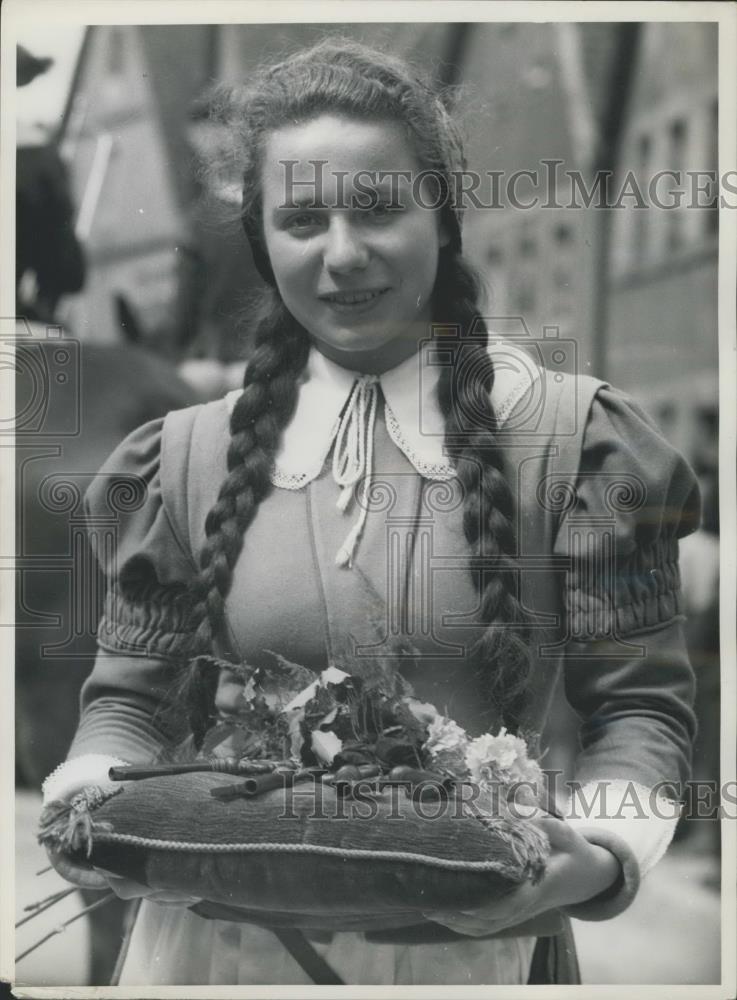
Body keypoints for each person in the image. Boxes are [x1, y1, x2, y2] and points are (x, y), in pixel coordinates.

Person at [42, 39, 700, 986]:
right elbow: (128, 705)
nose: (343, 256)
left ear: (443, 214)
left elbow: (638, 711)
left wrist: (593, 859)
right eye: (301, 219)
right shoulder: (179, 457)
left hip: (472, 952)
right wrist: (86, 799)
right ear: (263, 242)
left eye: (380, 209)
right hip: (211, 956)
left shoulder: (576, 441)